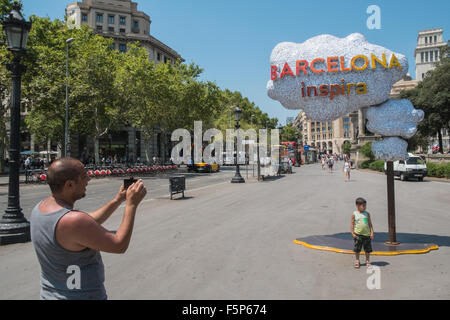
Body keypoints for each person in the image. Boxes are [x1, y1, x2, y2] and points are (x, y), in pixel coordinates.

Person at [30, 158, 147, 300]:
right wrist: (131, 205)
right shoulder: (73, 221)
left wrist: (117, 200)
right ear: (70, 185)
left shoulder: (40, 208)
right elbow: (119, 245)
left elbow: (89, 222)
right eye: (84, 176)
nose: (89, 179)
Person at [350, 197, 374, 269]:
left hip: (367, 234)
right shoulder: (354, 214)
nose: (364, 207)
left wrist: (372, 232)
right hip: (358, 234)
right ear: (357, 205)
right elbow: (352, 224)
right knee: (357, 249)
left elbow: (370, 223)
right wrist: (352, 233)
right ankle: (357, 261)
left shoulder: (367, 214)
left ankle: (367, 261)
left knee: (367, 249)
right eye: (363, 206)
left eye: (365, 205)